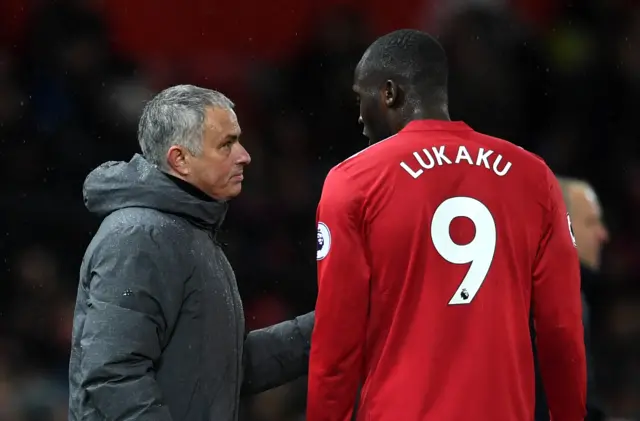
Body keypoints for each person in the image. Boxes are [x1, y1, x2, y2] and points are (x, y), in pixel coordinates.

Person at [307, 29, 586, 421]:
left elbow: (337, 343)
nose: (359, 117)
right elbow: (561, 329)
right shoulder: (533, 177)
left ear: (389, 93)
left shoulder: (354, 182)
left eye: (360, 98)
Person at [68, 85, 314, 421]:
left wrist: (324, 330)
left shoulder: (185, 231)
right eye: (226, 144)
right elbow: (113, 376)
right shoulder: (139, 237)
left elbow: (221, 368)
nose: (244, 155)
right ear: (179, 159)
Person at [534, 177, 609, 421]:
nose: (603, 235)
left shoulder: (570, 291)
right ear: (562, 222)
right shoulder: (556, 300)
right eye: (591, 222)